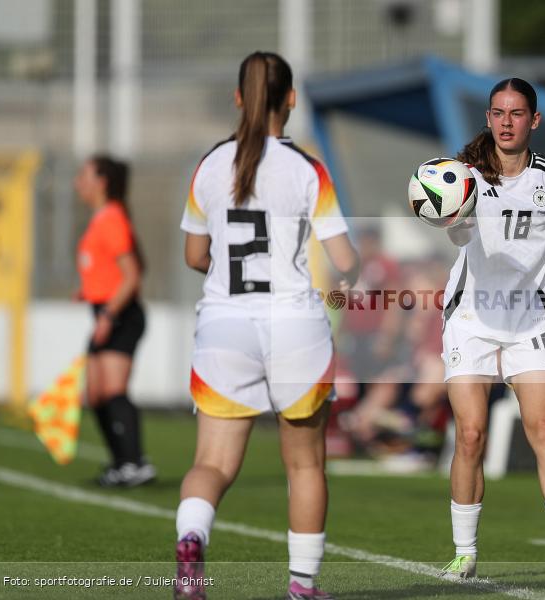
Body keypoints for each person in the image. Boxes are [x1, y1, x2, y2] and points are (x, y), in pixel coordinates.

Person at [174, 51, 359, 599]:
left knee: (211, 463)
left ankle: (191, 538)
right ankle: (301, 586)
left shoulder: (209, 165)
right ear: (292, 100)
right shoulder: (307, 169)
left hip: (225, 325)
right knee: (305, 465)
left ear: (238, 98)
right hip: (295, 325)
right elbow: (345, 259)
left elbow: (193, 254)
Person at [438, 77, 545, 584]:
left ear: (534, 121)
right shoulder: (463, 174)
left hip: (528, 318)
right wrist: (451, 216)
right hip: (470, 315)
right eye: (498, 113)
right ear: (488, 119)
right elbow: (457, 233)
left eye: (517, 114)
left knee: (544, 429)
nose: (506, 122)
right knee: (470, 435)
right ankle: (464, 552)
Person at [74, 154, 155, 487]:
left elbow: (132, 275)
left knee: (113, 391)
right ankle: (122, 463)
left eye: (84, 174)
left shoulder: (111, 218)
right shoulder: (104, 218)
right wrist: (88, 291)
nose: (77, 181)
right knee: (94, 395)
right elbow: (129, 267)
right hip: (105, 311)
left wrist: (108, 314)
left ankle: (135, 463)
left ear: (101, 181)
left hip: (119, 315)